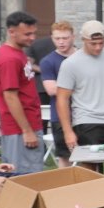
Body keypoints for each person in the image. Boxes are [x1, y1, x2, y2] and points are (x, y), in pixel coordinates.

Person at [55, 21, 104, 187]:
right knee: (91, 166)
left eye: (101, 42)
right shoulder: (71, 63)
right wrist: (68, 132)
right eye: (93, 43)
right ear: (83, 40)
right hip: (87, 120)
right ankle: (96, 200)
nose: (98, 47)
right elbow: (62, 98)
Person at [0, 12, 45, 176]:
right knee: (24, 177)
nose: (32, 38)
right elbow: (10, 97)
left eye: (34, 33)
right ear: (12, 32)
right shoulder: (9, 59)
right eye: (27, 34)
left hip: (28, 123)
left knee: (31, 174)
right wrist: (27, 131)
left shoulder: (18, 52)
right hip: (20, 129)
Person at [38, 22, 75, 168]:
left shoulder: (83, 56)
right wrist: (82, 87)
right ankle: (64, 182)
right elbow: (52, 89)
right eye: (57, 38)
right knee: (64, 155)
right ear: (51, 38)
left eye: (65, 38)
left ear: (73, 37)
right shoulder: (48, 61)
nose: (61, 42)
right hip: (60, 115)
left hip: (84, 112)